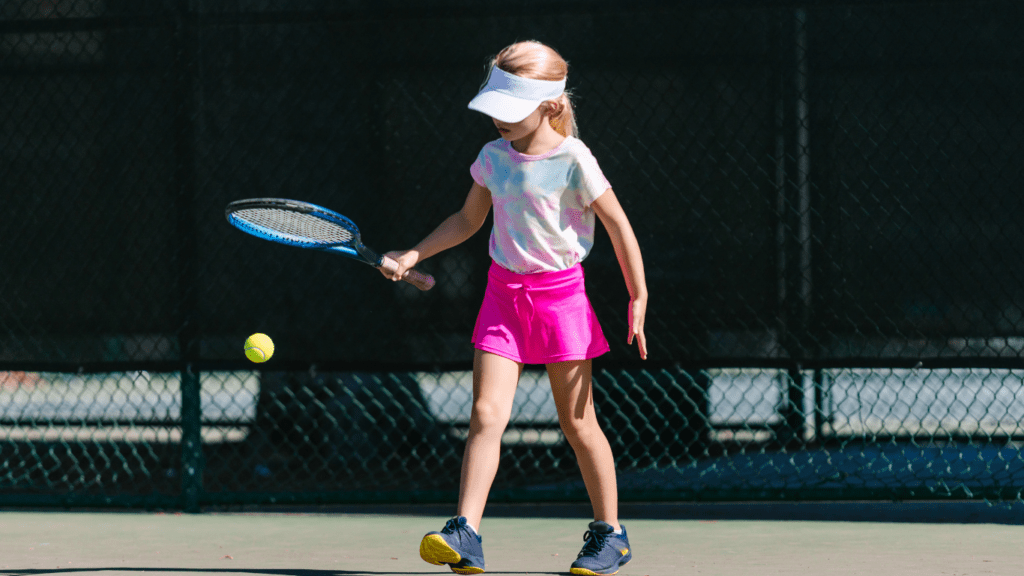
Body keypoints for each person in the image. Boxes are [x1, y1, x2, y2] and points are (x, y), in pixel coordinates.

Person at [381, 40, 648, 576]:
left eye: (511, 110)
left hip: (561, 299)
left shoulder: (574, 160)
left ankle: (609, 534)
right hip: (503, 298)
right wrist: (413, 252)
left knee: (577, 423)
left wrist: (638, 294)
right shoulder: (492, 159)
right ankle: (466, 533)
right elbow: (467, 220)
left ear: (549, 105)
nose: (498, 121)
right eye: (495, 108)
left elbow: (618, 225)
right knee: (485, 415)